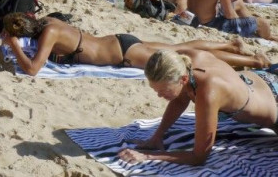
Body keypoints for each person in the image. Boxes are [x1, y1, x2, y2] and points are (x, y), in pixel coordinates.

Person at [118, 49, 278, 166]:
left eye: (164, 90)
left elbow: (198, 157)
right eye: (156, 90)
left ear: (184, 79)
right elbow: (180, 101)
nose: (159, 96)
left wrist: (147, 156)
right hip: (263, 78)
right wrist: (157, 137)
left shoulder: (208, 93)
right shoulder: (182, 61)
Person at [1, 13, 268, 78]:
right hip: (119, 41)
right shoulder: (49, 21)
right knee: (180, 46)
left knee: (187, 55)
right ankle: (230, 45)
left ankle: (255, 62)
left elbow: (34, 69)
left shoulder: (47, 36)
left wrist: (14, 47)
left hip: (125, 54)